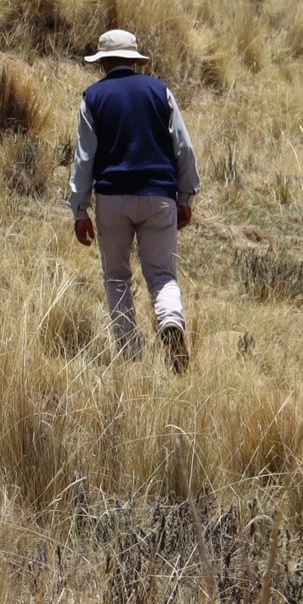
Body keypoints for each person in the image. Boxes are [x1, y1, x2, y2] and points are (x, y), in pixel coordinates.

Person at [68, 28, 202, 371]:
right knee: (161, 274)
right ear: (133, 61)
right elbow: (183, 147)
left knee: (117, 277)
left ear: (105, 63)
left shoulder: (93, 98)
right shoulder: (160, 92)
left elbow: (84, 159)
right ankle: (171, 322)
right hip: (159, 196)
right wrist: (185, 197)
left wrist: (79, 209)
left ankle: (130, 356)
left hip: (112, 199)